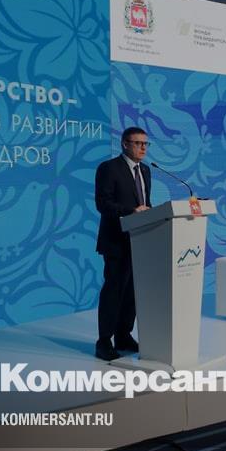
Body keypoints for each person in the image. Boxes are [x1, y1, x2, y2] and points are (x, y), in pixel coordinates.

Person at [93, 126, 152, 361]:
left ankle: (123, 335)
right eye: (138, 143)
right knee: (114, 291)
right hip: (116, 241)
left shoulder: (145, 170)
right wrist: (131, 211)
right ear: (125, 144)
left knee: (132, 293)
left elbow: (146, 203)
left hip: (140, 241)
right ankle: (104, 341)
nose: (143, 148)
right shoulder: (109, 168)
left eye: (145, 144)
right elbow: (103, 203)